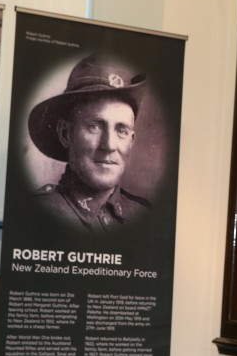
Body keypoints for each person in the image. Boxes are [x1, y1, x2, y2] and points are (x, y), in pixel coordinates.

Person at [28, 53, 150, 231]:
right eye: (95, 126)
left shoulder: (145, 215)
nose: (109, 145)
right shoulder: (35, 214)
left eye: (121, 130)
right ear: (65, 134)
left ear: (131, 141)